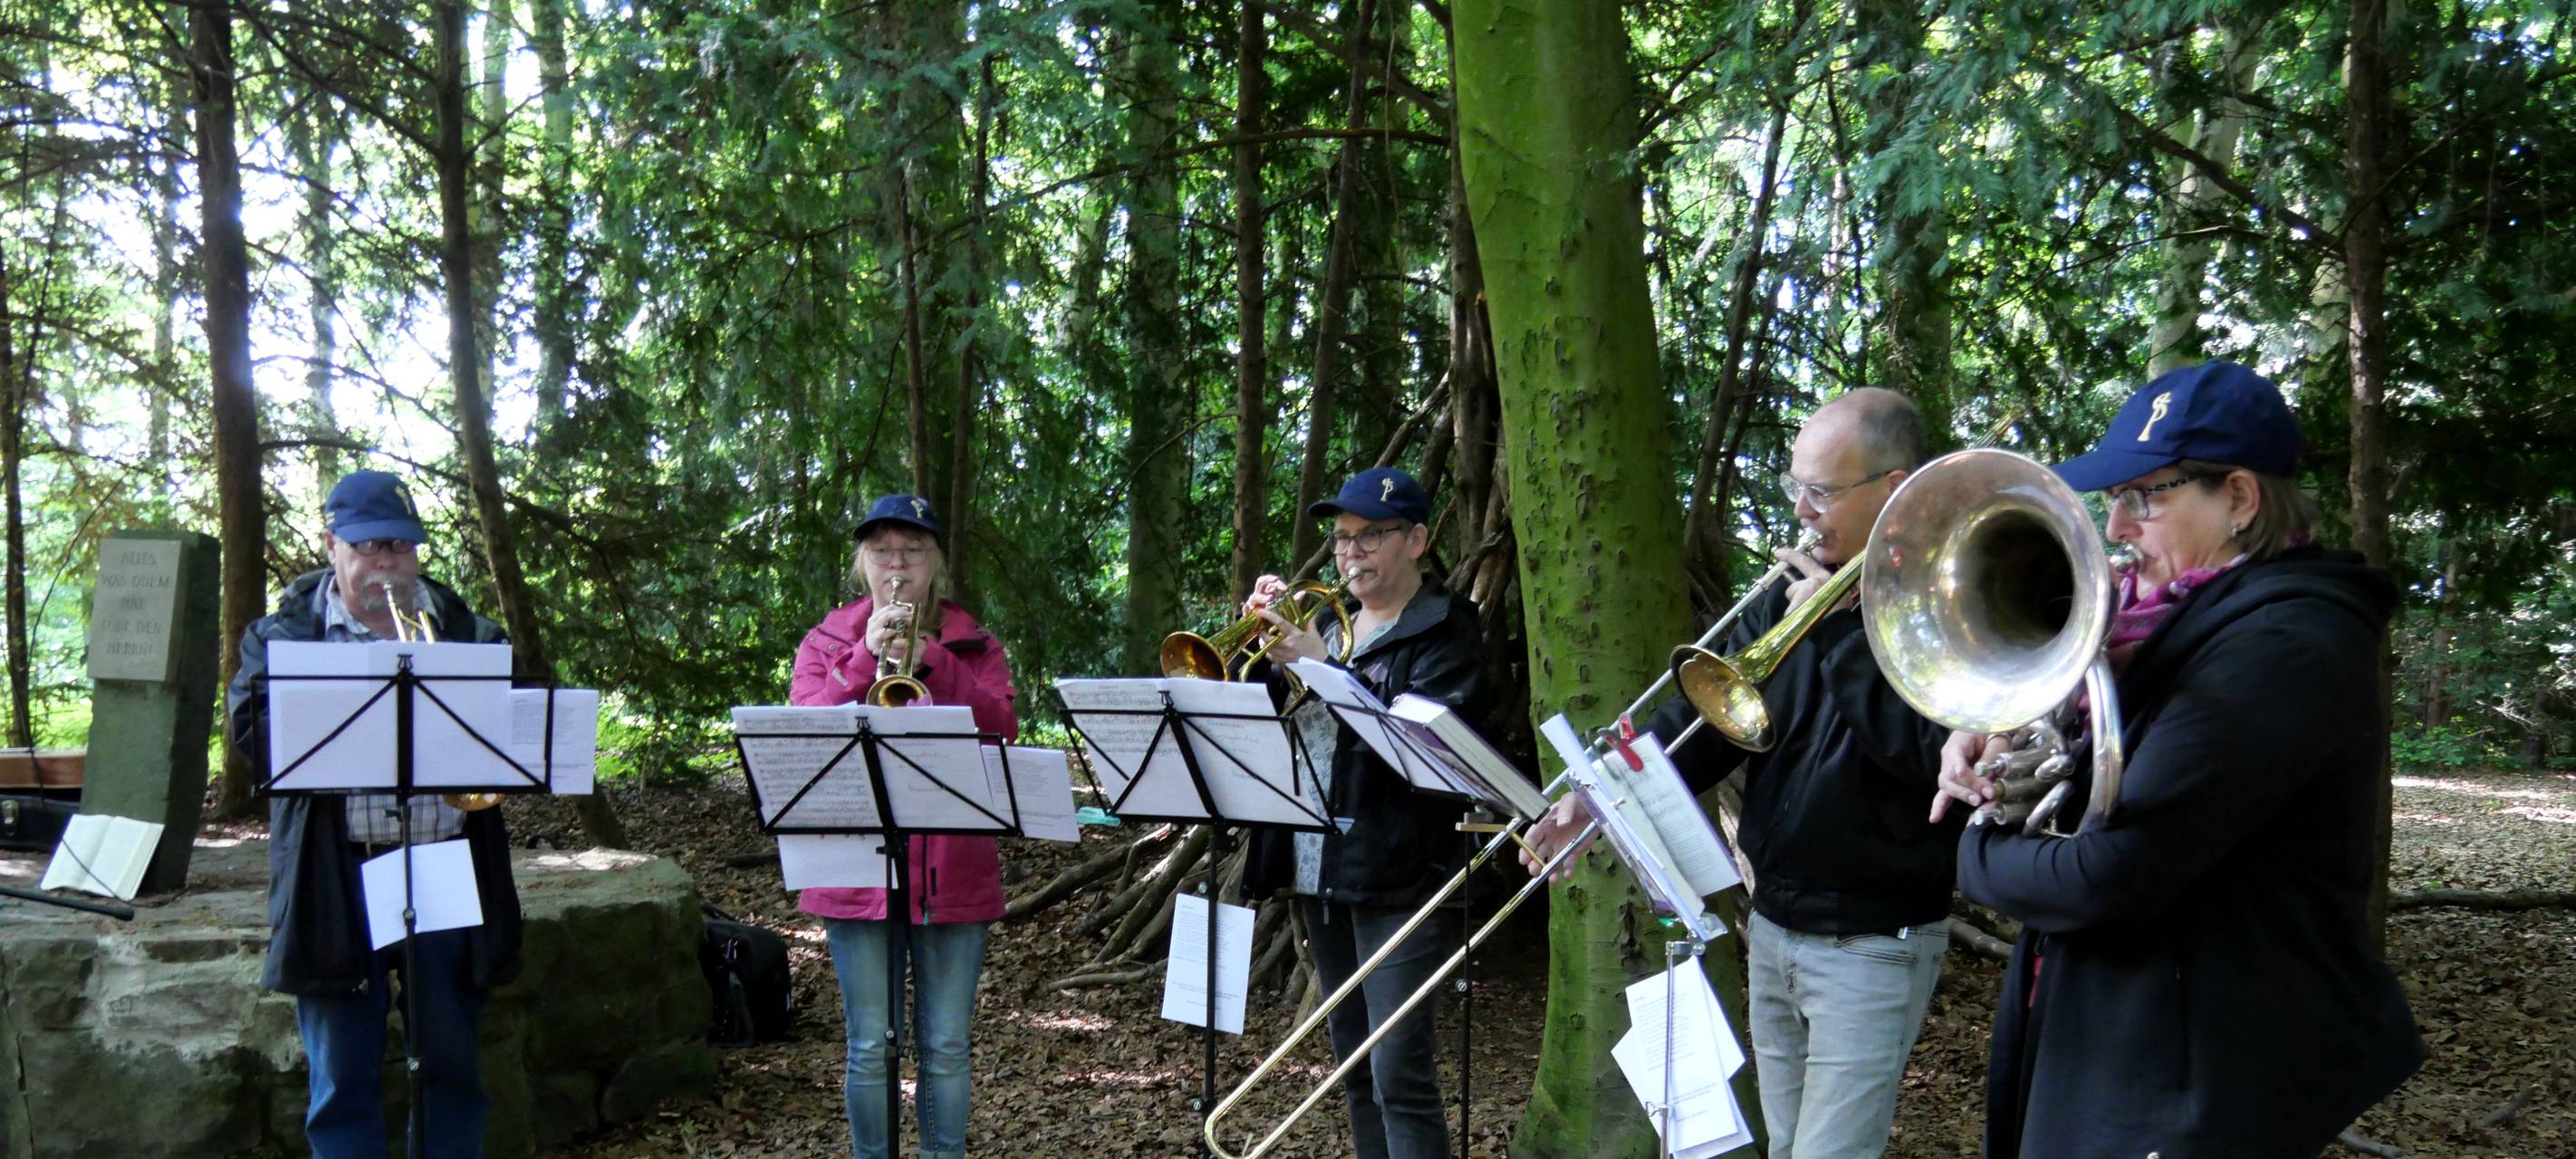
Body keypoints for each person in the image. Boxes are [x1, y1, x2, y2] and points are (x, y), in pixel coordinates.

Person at [1932, 361, 2424, 1156]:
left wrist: (1970, 845)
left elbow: (2105, 875)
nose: (2116, 527)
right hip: (2116, 1027)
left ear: (2238, 497)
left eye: (2146, 497)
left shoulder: (2285, 646)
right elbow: (2092, 788)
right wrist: (1997, 725)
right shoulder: (2159, 628)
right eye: (2114, 500)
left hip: (2192, 1075)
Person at [1521, 388, 1959, 1159]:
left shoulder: (1945, 603)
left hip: (1875, 941)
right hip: (1776, 928)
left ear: (1893, 489)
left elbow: (1924, 759)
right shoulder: (1789, 597)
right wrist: (1592, 804)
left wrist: (1837, 633)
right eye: (1796, 486)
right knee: (1785, 1147)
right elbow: (1697, 729)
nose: (1801, 510)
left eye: (1821, 491)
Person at [228, 469, 523, 1159]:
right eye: (368, 547)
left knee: (453, 1067)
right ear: (331, 545)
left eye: (400, 546)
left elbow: (505, 739)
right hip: (338, 877)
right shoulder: (282, 636)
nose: (387, 563)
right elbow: (253, 734)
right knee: (341, 1081)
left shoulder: (466, 633)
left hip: (445, 867)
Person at [1238, 466, 1486, 1159]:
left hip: (1402, 867)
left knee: (1397, 1074)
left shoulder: (1448, 629)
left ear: (1416, 539)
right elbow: (1272, 718)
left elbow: (1418, 744)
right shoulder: (1323, 620)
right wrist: (1267, 650)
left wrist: (1324, 664)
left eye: (1370, 537)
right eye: (1343, 540)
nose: (1351, 555)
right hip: (1319, 863)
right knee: (1352, 1068)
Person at [789, 493, 1017, 1159]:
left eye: (913, 551)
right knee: (869, 1044)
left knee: (944, 1045)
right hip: (854, 866)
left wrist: (935, 662)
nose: (897, 565)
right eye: (882, 551)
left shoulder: (975, 645)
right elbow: (806, 725)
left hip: (953, 867)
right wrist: (865, 660)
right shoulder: (826, 642)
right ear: (862, 562)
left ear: (935, 562)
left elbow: (1001, 730)